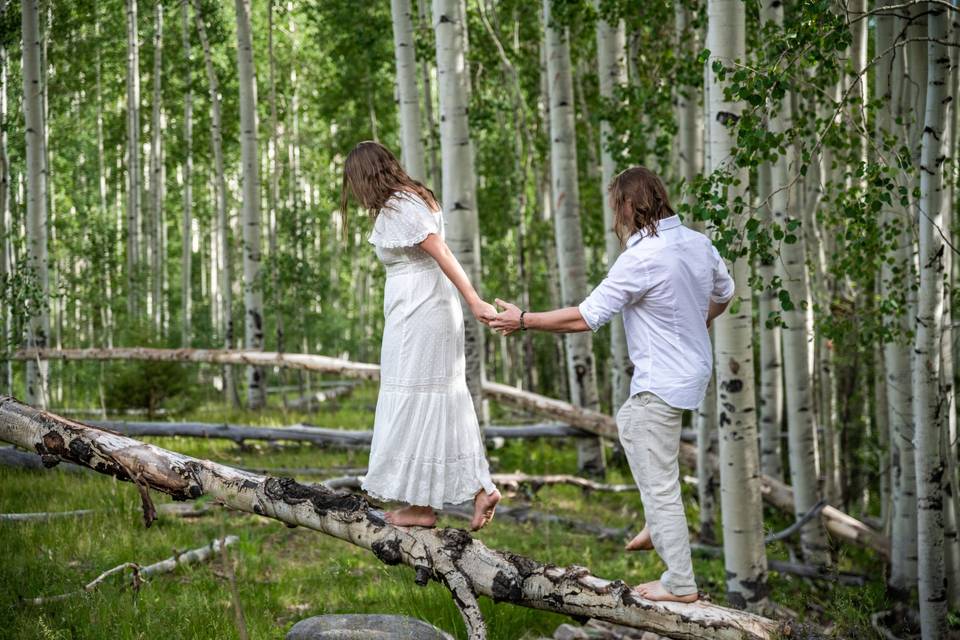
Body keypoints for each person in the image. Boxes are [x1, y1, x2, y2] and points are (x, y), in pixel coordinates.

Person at [486, 166, 734, 603]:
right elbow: (725, 291)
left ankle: (680, 581)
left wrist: (523, 319)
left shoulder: (641, 258)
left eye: (614, 207)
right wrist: (695, 321)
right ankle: (656, 524)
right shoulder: (698, 243)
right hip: (691, 372)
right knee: (635, 429)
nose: (614, 218)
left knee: (656, 471)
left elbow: (585, 317)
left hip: (662, 378)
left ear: (627, 205)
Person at [340, 141, 501, 530]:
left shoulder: (401, 206)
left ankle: (421, 507)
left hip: (421, 312)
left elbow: (441, 251)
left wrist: (475, 300)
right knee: (433, 397)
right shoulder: (413, 198)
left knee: (416, 395)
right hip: (420, 308)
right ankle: (475, 488)